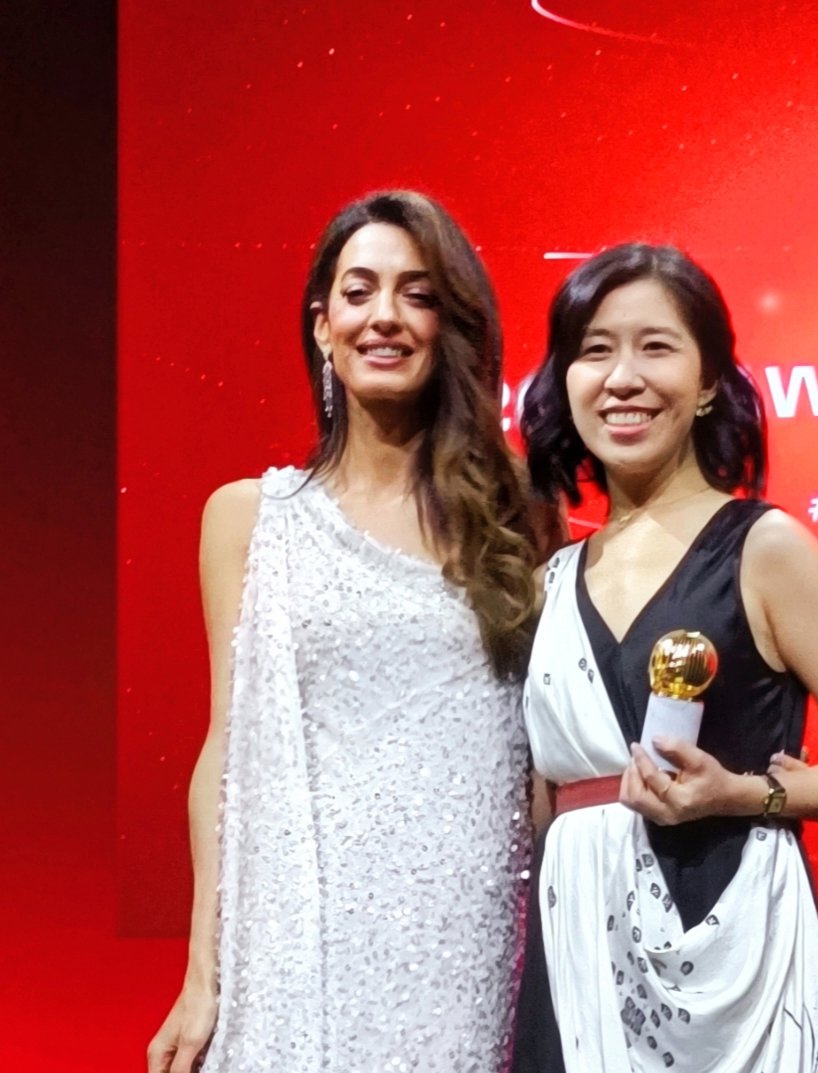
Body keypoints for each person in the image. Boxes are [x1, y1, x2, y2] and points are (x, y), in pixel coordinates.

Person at [147, 191, 545, 1073]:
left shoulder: (517, 515)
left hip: (459, 935)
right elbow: (225, 750)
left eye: (417, 293)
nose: (385, 317)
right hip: (289, 935)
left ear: (450, 324)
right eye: (359, 291)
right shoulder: (252, 517)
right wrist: (202, 972)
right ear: (323, 326)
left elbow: (540, 758)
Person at [513, 243, 818, 1073]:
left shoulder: (764, 547)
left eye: (655, 346)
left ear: (707, 383)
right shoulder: (546, 579)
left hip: (735, 938)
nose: (622, 376)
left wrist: (740, 792)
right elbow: (539, 806)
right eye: (594, 349)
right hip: (578, 943)